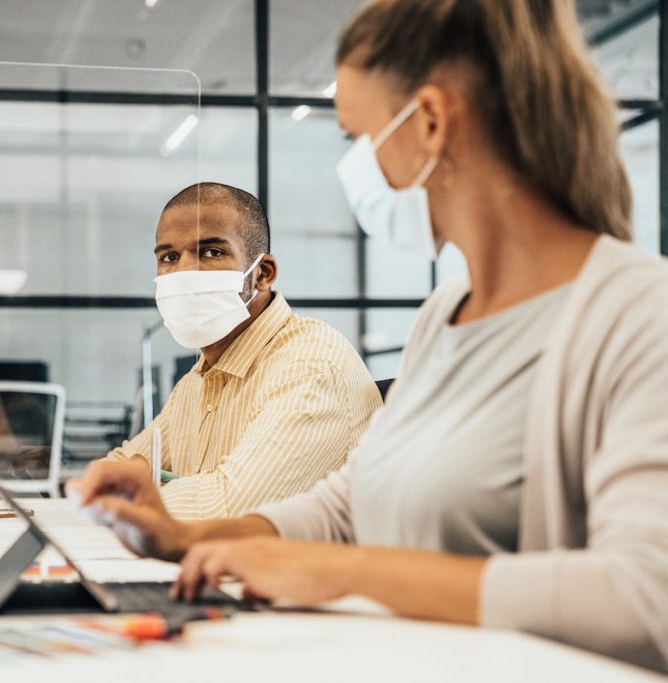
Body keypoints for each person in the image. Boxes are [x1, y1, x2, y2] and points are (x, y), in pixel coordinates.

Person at [70, 0, 668, 672]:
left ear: (432, 124)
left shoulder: (642, 314)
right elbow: (349, 502)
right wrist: (186, 536)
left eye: (359, 137)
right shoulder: (445, 316)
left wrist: (345, 570)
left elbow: (646, 598)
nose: (355, 170)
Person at [98, 182, 381, 520]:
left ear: (263, 273)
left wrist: (140, 491)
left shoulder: (311, 365)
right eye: (169, 257)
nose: (185, 271)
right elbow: (113, 470)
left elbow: (229, 509)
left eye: (212, 252)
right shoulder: (199, 379)